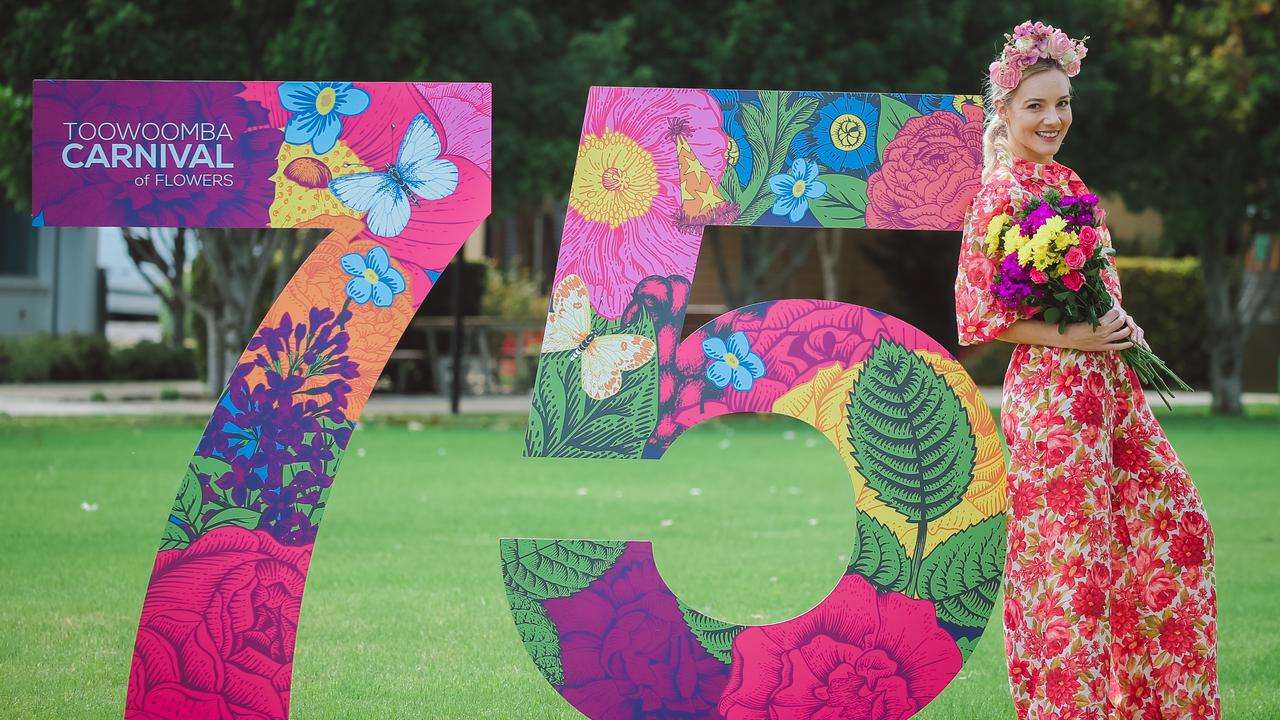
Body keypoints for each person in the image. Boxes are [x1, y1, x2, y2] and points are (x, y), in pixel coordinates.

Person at [954, 20, 1220, 719]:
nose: (1053, 118)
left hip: (1113, 392)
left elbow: (1099, 294)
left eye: (1063, 103)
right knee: (1076, 575)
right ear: (1005, 111)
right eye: (1037, 104)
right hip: (1055, 402)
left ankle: (1155, 705)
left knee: (1180, 530)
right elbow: (980, 319)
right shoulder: (998, 194)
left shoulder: (1067, 181)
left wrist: (1123, 330)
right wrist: (1076, 334)